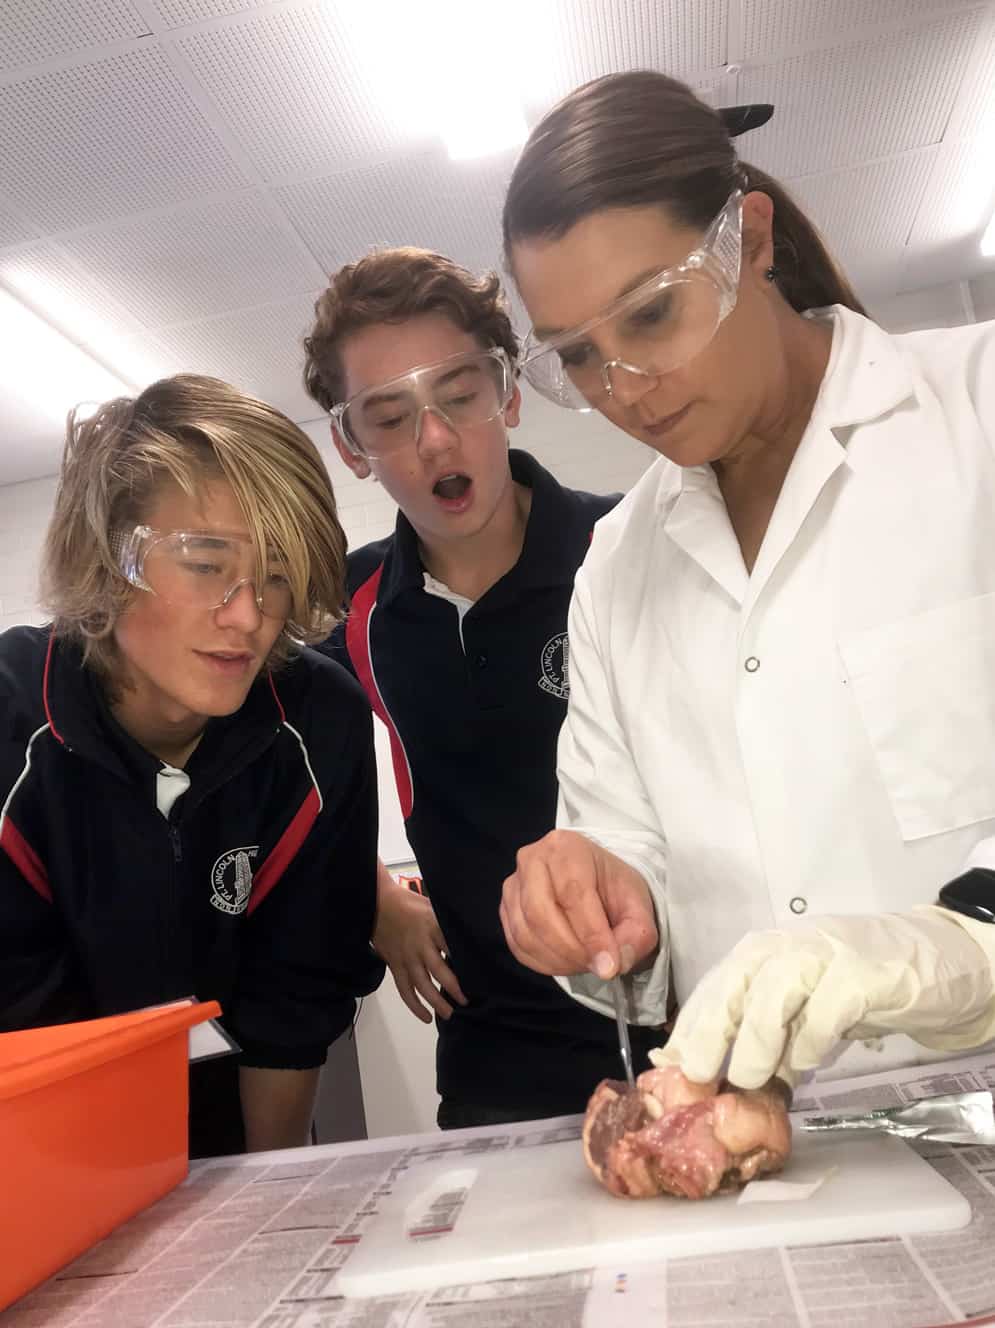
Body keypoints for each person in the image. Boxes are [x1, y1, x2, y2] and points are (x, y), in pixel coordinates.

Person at [497, 70, 995, 1091]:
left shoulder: (975, 413)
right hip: (759, 1134)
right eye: (577, 357)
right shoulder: (616, 564)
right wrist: (597, 890)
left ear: (750, 240)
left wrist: (957, 946)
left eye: (650, 314)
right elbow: (621, 837)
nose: (624, 389)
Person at [302, 247, 664, 1128]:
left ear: (506, 394)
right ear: (352, 448)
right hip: (493, 1050)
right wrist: (375, 895)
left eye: (459, 396)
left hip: (679, 1020)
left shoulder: (631, 547)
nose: (433, 439)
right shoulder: (351, 607)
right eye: (390, 417)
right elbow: (270, 761)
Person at [0, 375, 384, 1157]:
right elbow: (23, 1024)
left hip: (230, 1132)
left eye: (276, 574)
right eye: (205, 564)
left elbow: (294, 1000)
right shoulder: (10, 724)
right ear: (108, 558)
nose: (248, 616)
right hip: (40, 1146)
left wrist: (266, 1199)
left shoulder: (318, 722)